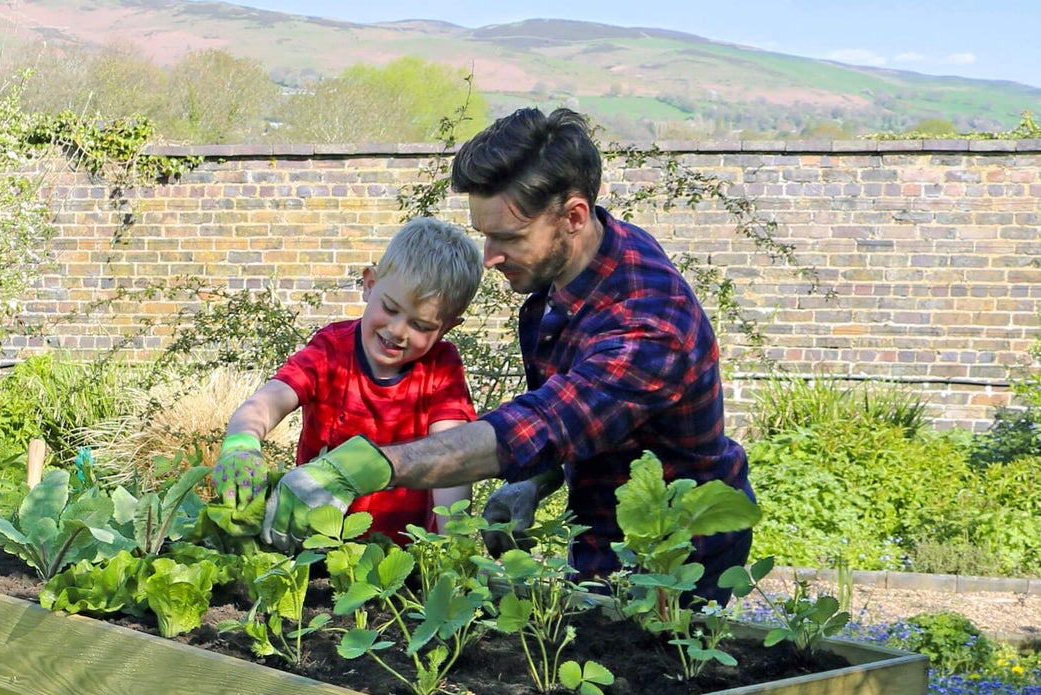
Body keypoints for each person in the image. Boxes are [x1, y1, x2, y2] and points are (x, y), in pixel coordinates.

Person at [256, 107, 754, 603]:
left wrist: (356, 467)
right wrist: (534, 482)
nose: (490, 256)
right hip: (603, 535)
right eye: (485, 233)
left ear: (574, 217)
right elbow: (584, 417)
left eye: (509, 237)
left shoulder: (651, 322)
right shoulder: (579, 268)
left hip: (677, 554)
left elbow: (545, 422)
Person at [209, 215, 484, 544]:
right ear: (370, 284)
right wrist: (241, 445)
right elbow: (267, 402)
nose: (398, 331)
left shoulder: (440, 368)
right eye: (390, 308)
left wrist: (453, 542)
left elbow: (451, 455)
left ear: (447, 327)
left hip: (401, 555)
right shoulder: (331, 350)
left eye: (421, 326)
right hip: (313, 543)